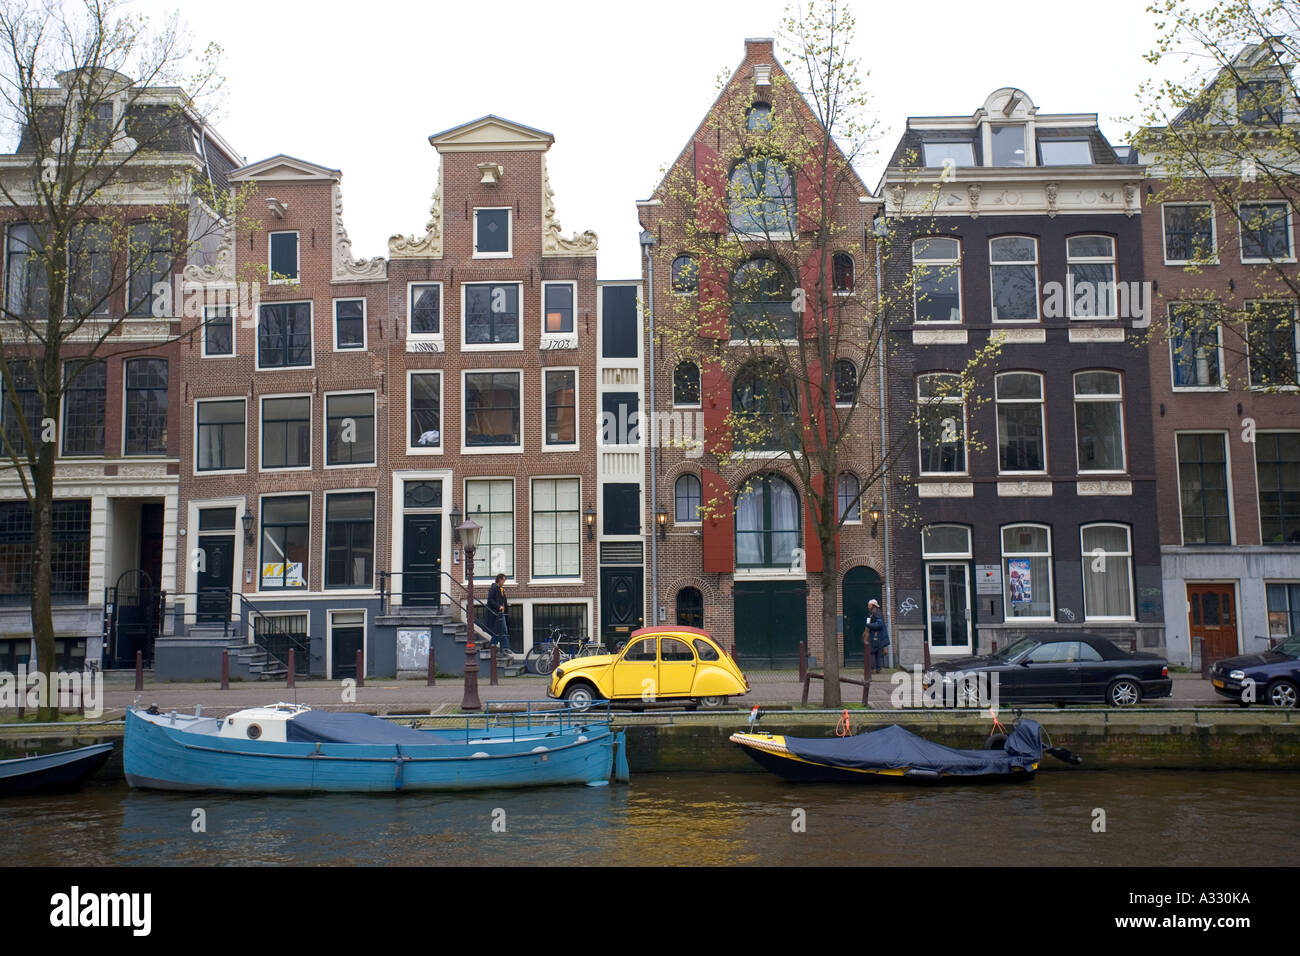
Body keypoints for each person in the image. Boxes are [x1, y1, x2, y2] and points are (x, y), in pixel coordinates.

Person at [487, 573, 512, 656]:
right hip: (497, 613)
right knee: (504, 630)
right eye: (504, 580)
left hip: (501, 613)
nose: (504, 582)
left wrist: (506, 604)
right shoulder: (494, 588)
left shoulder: (501, 589)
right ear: (500, 579)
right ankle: (505, 647)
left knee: (498, 630)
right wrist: (499, 607)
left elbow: (500, 600)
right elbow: (490, 600)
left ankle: (492, 644)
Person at [865, 599, 890, 671]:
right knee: (877, 652)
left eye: (869, 606)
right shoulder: (873, 613)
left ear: (873, 606)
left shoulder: (877, 613)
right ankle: (878, 668)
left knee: (872, 652)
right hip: (876, 636)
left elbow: (879, 625)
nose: (868, 607)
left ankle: (872, 668)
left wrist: (869, 625)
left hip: (876, 636)